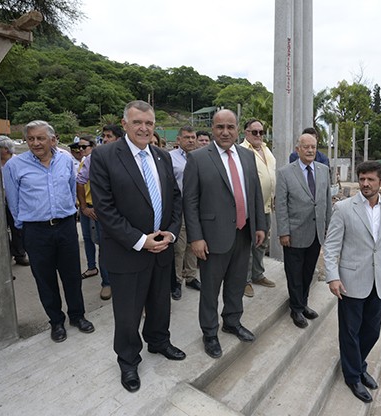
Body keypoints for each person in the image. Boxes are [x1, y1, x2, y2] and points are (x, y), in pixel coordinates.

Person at [90, 100, 185, 393]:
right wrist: (141, 241)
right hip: (127, 252)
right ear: (125, 124)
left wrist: (170, 234)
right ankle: (129, 359)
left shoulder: (162, 156)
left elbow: (175, 198)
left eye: (149, 123)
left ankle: (158, 341)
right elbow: (105, 209)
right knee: (128, 313)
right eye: (137, 123)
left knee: (160, 302)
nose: (144, 128)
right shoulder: (104, 156)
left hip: (162, 248)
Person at [183, 109, 266, 359]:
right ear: (213, 129)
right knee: (210, 288)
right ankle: (210, 332)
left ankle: (232, 321)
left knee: (237, 283)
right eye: (220, 127)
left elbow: (255, 193)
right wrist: (196, 237)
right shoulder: (198, 158)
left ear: (238, 129)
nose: (226, 132)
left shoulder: (247, 156)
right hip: (212, 237)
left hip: (243, 232)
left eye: (231, 127)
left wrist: (260, 225)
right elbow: (190, 201)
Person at [324, 160, 381, 403]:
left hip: (378, 281)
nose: (365, 184)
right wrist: (333, 276)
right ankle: (353, 376)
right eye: (362, 179)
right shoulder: (343, 208)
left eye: (371, 179)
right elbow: (331, 246)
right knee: (350, 332)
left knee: (372, 331)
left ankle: (359, 364)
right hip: (350, 280)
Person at [3, 120, 95, 343]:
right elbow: (13, 201)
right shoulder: (15, 166)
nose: (35, 143)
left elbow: (71, 187)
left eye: (40, 138)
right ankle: (56, 321)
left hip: (65, 226)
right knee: (45, 279)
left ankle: (77, 316)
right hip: (36, 230)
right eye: (31, 139)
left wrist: (69, 212)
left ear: (52, 140)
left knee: (72, 274)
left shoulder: (65, 160)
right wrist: (23, 226)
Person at [276, 133, 332, 328]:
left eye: (313, 147)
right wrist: (283, 232)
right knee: (294, 273)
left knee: (308, 272)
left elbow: (326, 201)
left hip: (316, 232)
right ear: (297, 149)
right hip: (294, 233)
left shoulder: (323, 170)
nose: (310, 150)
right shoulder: (285, 173)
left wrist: (328, 227)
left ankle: (303, 303)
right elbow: (281, 205)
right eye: (306, 147)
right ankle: (296, 309)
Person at [239, 119, 276, 297]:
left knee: (262, 243)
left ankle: (257, 274)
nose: (259, 135)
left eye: (261, 132)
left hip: (267, 205)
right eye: (254, 132)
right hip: (250, 207)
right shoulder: (241, 151)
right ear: (246, 133)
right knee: (248, 244)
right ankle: (244, 280)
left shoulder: (266, 149)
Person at [75, 135, 112, 300]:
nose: (81, 150)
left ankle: (107, 282)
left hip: (96, 209)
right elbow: (79, 182)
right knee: (88, 239)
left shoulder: (96, 159)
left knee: (102, 245)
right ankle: (92, 267)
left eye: (84, 146)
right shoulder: (84, 161)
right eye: (79, 147)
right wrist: (82, 207)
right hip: (86, 208)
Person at [169, 126, 201, 300]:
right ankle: (176, 281)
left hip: (196, 207)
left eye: (193, 137)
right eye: (187, 137)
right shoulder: (170, 158)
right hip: (179, 207)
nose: (190, 140)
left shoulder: (200, 157)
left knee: (193, 242)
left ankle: (191, 276)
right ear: (178, 140)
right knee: (179, 246)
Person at [0, 136, 30, 266]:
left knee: (17, 229)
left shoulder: (19, 163)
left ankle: (19, 254)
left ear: (6, 149)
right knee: (1, 229)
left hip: (16, 200)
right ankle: (7, 254)